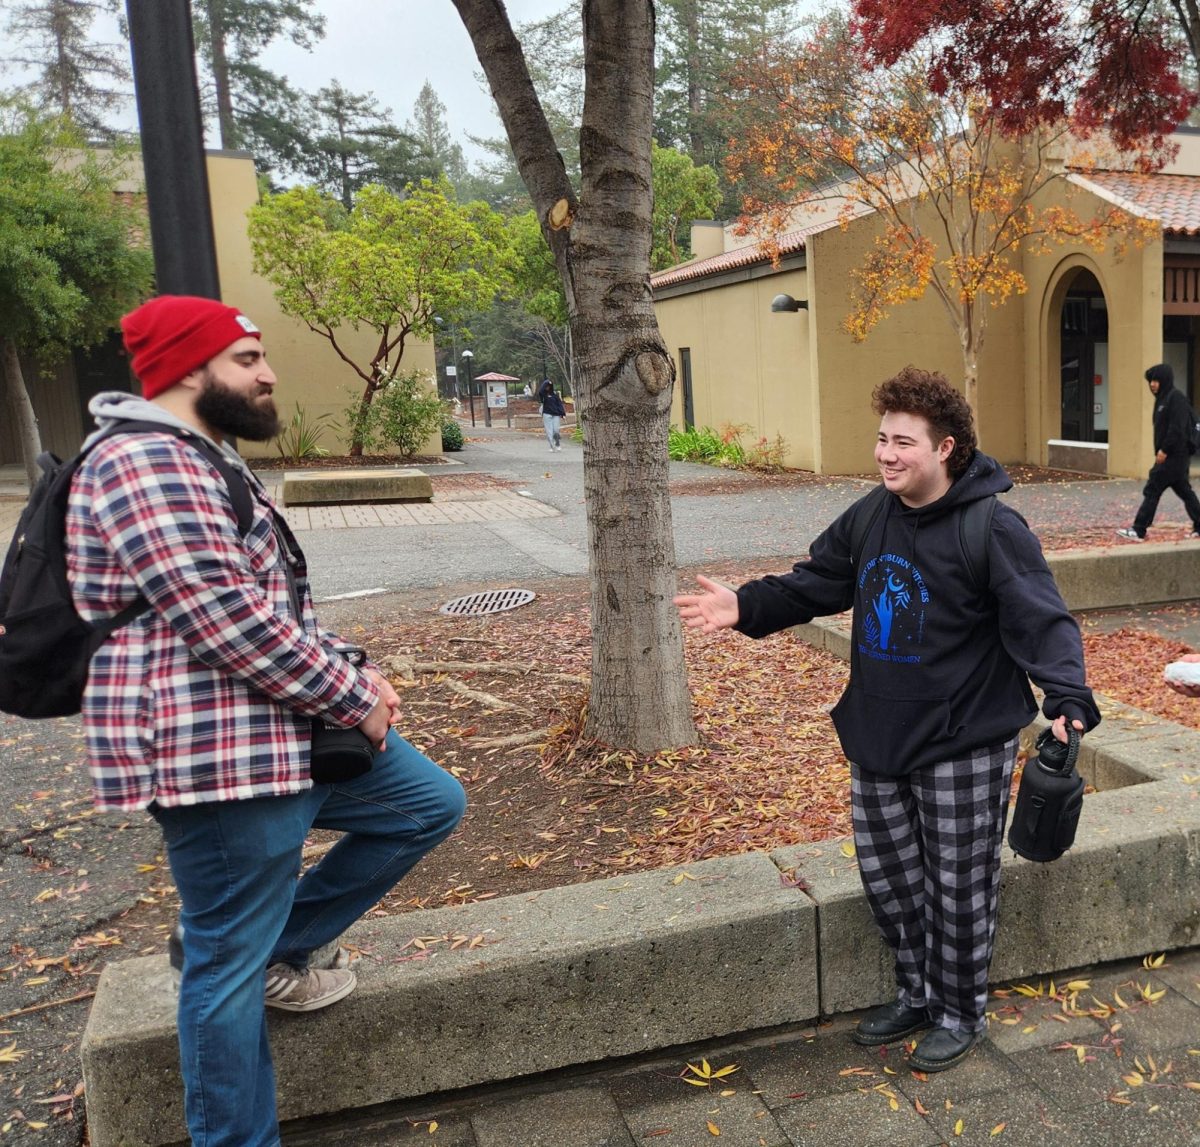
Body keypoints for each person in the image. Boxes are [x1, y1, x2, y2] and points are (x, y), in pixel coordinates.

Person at [66, 295, 467, 1146]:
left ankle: (273, 944)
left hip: (278, 735)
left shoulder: (198, 456)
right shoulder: (146, 462)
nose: (268, 372)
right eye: (246, 358)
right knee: (223, 973)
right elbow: (226, 622)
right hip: (219, 758)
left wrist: (356, 669)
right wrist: (353, 698)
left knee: (427, 803)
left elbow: (270, 601)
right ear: (185, 368)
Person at [675, 366, 1099, 1073]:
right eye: (882, 439)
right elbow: (817, 580)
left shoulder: (992, 525)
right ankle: (918, 991)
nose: (887, 454)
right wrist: (746, 606)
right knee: (893, 883)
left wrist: (1068, 699)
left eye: (904, 441)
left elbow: (1042, 618)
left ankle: (960, 1011)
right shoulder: (871, 516)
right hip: (878, 733)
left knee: (959, 889)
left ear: (948, 449)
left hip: (965, 737)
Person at [1115, 362, 1200, 541]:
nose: (1153, 384)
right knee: (1184, 490)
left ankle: (1139, 529)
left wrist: (1164, 450)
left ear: (1165, 380)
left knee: (1153, 489)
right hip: (1174, 457)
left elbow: (1177, 429)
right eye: (1151, 381)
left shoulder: (1175, 398)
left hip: (1174, 455)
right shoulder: (1163, 399)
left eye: (1156, 380)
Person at [538, 377, 566, 451]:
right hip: (547, 414)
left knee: (556, 430)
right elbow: (540, 391)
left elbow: (559, 404)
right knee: (549, 431)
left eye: (549, 386)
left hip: (556, 415)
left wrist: (562, 413)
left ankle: (557, 443)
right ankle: (551, 445)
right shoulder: (543, 395)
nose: (548, 387)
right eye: (546, 386)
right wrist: (547, 381)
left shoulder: (555, 394)